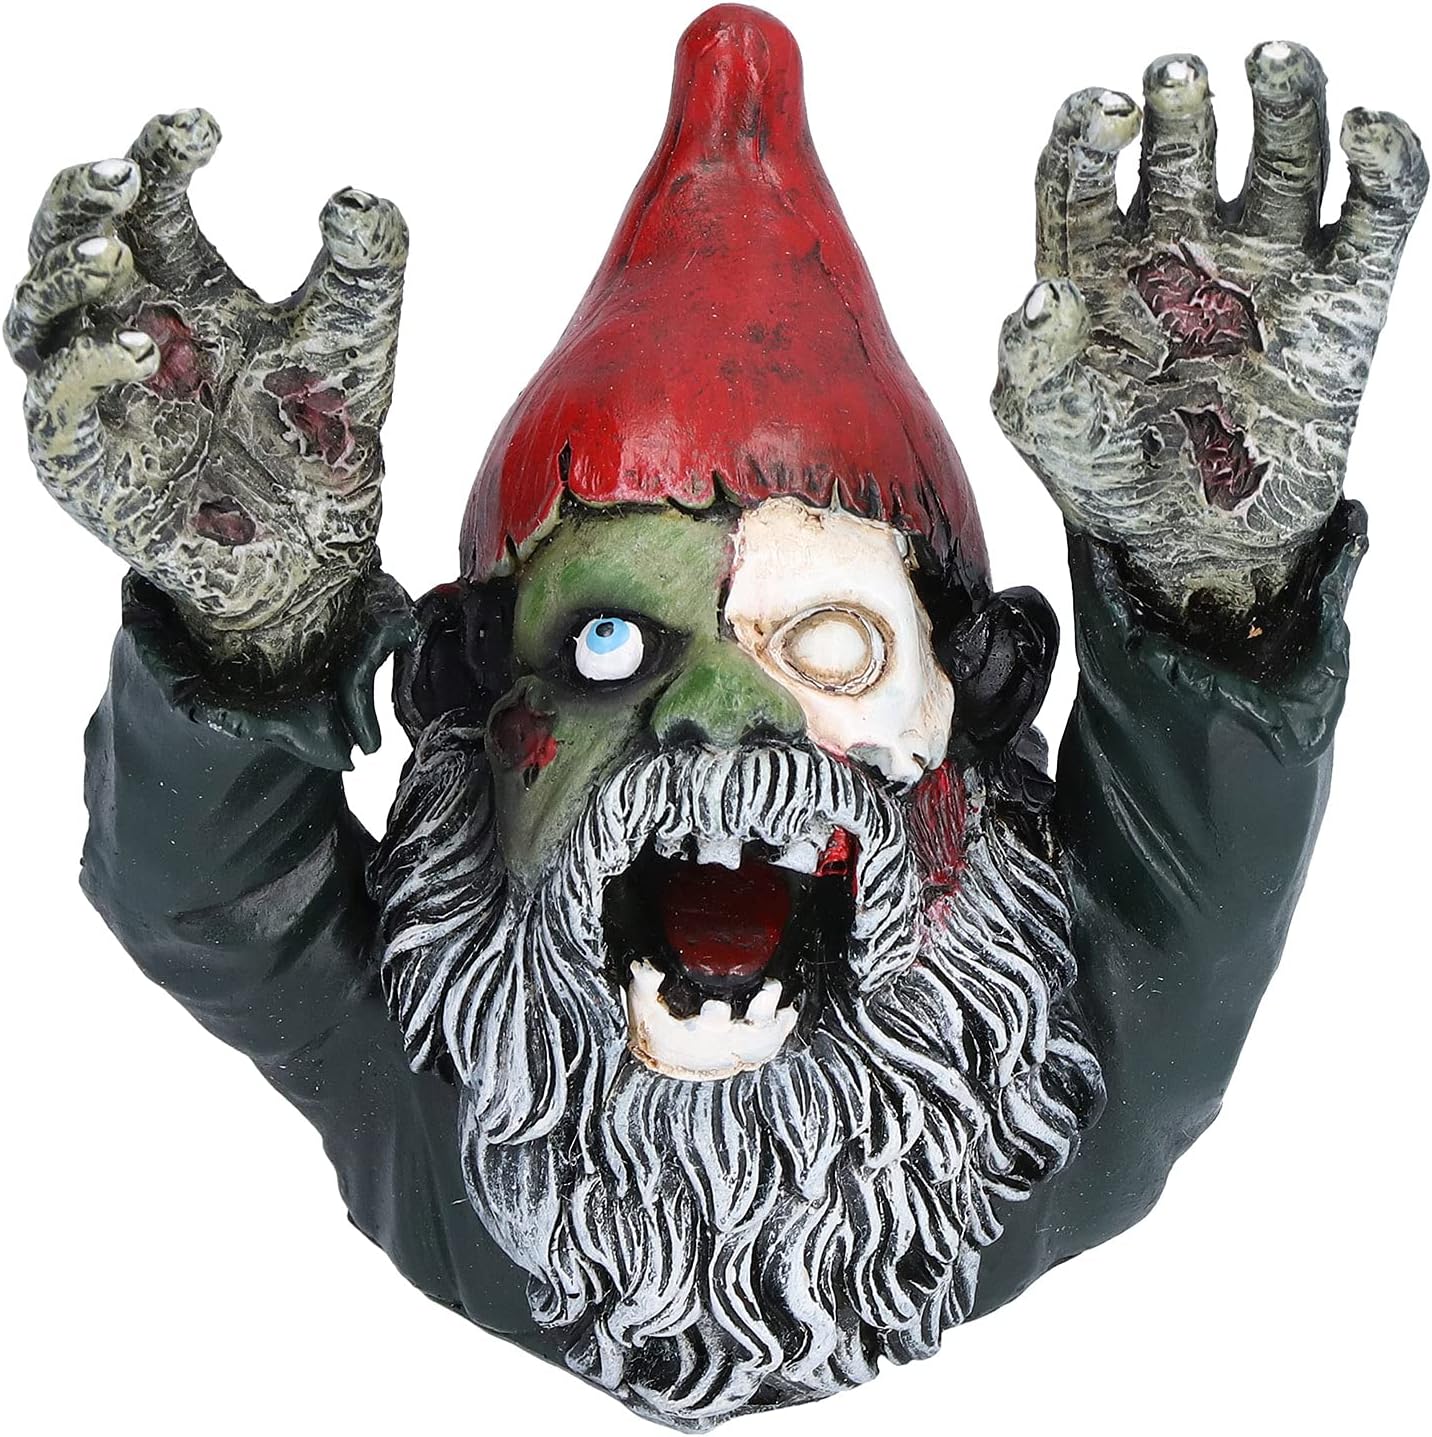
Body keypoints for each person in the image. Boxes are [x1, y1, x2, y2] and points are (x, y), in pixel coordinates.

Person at [6, 5, 1423, 1428]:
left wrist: (1212, 580)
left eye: (830, 643)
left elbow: (1202, 890)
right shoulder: (447, 1074)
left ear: (963, 718)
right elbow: (213, 901)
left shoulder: (1045, 1094)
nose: (722, 719)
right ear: (481, 731)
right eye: (609, 645)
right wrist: (251, 619)